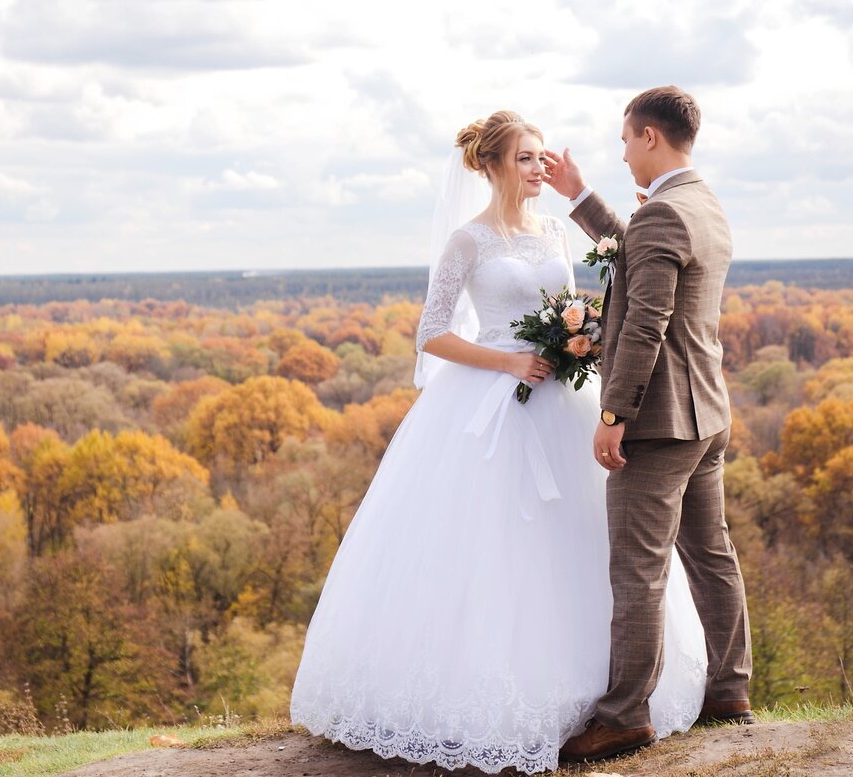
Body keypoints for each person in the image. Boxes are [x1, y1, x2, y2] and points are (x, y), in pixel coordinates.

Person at [290, 111, 707, 774]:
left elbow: (616, 281)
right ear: (490, 166)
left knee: (586, 541)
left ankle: (611, 700)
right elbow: (431, 333)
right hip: (490, 406)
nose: (538, 169)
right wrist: (510, 361)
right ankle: (476, 700)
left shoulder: (553, 231)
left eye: (543, 157)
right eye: (525, 158)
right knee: (491, 546)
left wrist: (580, 337)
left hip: (565, 401)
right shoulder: (468, 241)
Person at [544, 85, 753, 766]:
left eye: (626, 140)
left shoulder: (665, 213)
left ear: (651, 137)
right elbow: (636, 251)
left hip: (659, 424)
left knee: (638, 571)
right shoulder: (702, 204)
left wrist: (614, 413)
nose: (624, 152)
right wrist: (580, 196)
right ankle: (730, 690)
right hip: (706, 416)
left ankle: (624, 715)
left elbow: (644, 322)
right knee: (711, 556)